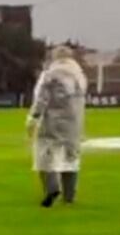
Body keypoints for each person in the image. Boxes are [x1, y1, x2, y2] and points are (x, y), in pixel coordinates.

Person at [27, 44, 87, 207]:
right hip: (74, 123)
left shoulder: (50, 75)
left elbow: (42, 98)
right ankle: (69, 196)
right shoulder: (80, 76)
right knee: (71, 157)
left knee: (45, 155)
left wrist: (33, 117)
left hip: (52, 121)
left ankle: (52, 187)